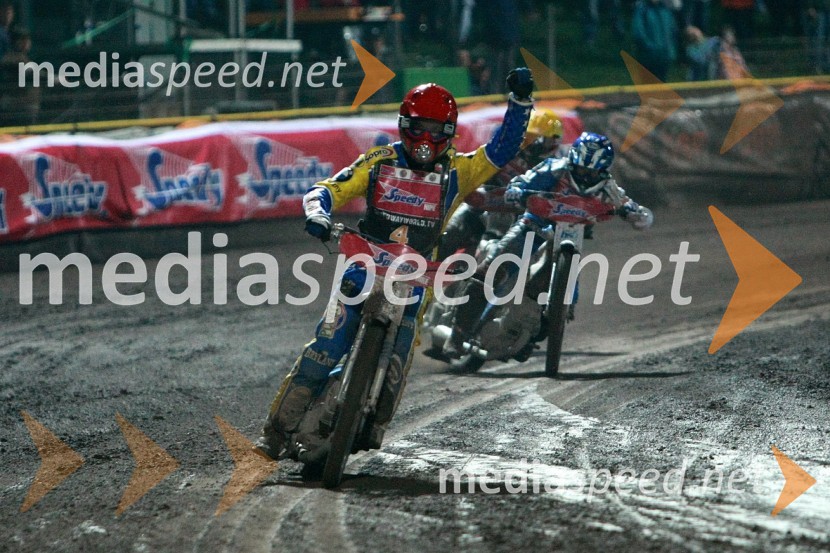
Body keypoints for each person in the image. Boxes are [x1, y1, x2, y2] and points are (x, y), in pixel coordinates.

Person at [255, 68, 535, 461]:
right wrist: (318, 213)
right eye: (419, 126)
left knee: (397, 366)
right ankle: (276, 431)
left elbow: (501, 150)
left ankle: (370, 423)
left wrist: (520, 104)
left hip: (416, 277)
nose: (426, 138)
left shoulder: (459, 169)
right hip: (364, 264)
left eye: (437, 129)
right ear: (404, 125)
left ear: (450, 132)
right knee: (326, 349)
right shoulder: (378, 160)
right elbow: (329, 188)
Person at [443, 132, 654, 359]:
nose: (585, 176)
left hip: (570, 237)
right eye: (581, 169)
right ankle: (456, 337)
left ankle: (537, 328)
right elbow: (524, 181)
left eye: (592, 173)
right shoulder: (554, 168)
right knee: (490, 271)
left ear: (603, 171)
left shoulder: (608, 187)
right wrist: (517, 191)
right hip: (534, 227)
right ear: (573, 161)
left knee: (552, 298)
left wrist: (634, 213)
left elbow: (636, 212)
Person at [437, 108, 564, 260]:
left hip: (518, 219)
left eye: (539, 139)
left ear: (554, 142)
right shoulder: (506, 151)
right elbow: (477, 168)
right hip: (481, 206)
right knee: (447, 236)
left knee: (512, 261)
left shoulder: (554, 168)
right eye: (530, 137)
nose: (532, 144)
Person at [632, 0, 679, 81]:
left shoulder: (666, 10)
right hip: (648, 56)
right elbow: (638, 32)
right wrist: (649, 47)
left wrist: (671, 49)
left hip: (665, 55)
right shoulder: (642, 10)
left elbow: (673, 31)